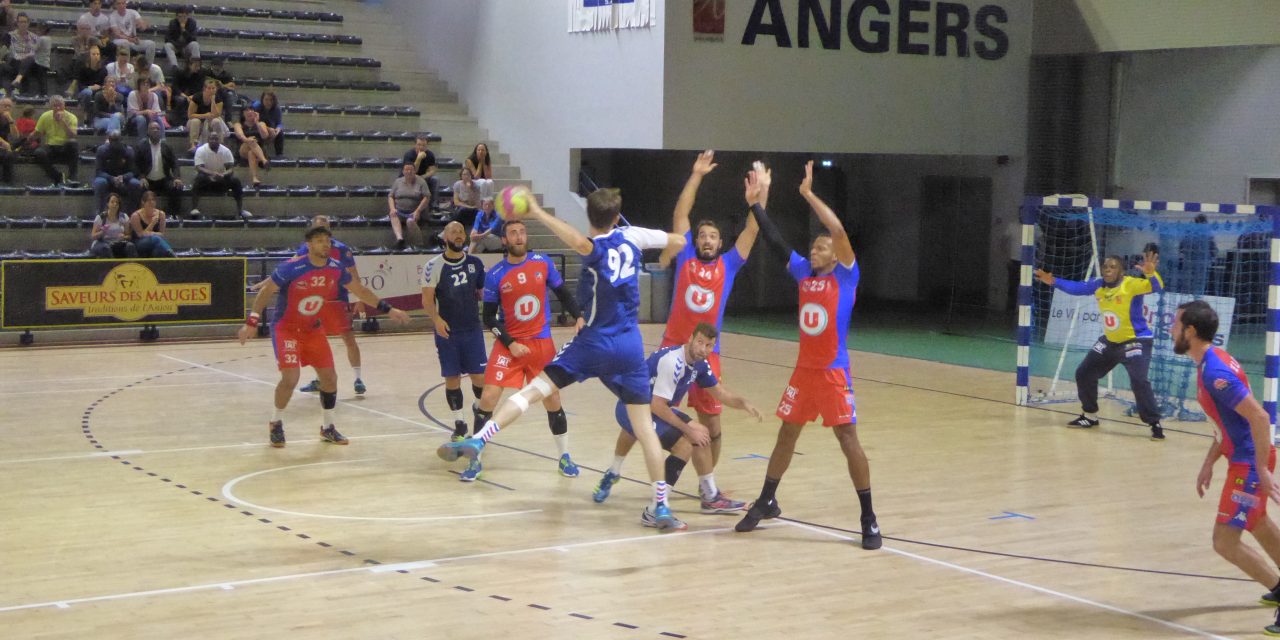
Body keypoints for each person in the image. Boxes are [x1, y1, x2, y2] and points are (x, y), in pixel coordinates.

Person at [437, 186, 689, 531]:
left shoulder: (595, 248)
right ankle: (660, 506)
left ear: (590, 217)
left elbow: (579, 243)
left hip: (595, 341)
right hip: (630, 344)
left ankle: (480, 439)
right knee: (645, 430)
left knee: (534, 391)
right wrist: (666, 255)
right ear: (617, 217)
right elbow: (678, 239)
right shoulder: (633, 236)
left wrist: (538, 213)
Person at [733, 161, 882, 551]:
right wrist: (756, 206)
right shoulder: (804, 273)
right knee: (786, 433)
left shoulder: (846, 276)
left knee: (847, 437)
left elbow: (837, 230)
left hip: (833, 372)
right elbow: (775, 240)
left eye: (821, 246)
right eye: (813, 246)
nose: (814, 249)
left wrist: (808, 195)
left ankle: (868, 516)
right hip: (804, 372)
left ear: (836, 254)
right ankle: (767, 499)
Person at [238, 225, 409, 448]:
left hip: (312, 328)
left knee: (330, 378)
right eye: (319, 241)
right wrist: (251, 321)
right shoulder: (292, 267)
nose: (325, 244)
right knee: (290, 378)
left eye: (328, 241)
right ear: (308, 245)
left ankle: (328, 428)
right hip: (286, 328)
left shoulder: (336, 268)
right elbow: (266, 291)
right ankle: (276, 422)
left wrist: (389, 309)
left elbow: (359, 290)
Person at [655, 150, 761, 504]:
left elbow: (752, 228)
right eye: (702, 235)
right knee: (651, 416)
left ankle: (708, 489)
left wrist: (760, 197)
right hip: (673, 348)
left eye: (712, 237)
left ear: (720, 242)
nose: (706, 240)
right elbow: (680, 213)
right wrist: (697, 174)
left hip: (707, 356)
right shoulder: (685, 254)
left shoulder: (729, 265)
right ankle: (621, 469)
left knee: (712, 426)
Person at [1172, 301, 1280, 636]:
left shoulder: (1215, 374)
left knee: (1224, 541)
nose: (1171, 329)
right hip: (1245, 458)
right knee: (1257, 522)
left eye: (1175, 324)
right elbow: (1228, 423)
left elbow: (1259, 417)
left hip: (1249, 462)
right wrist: (1209, 461)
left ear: (1190, 331)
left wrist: (1261, 469)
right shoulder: (1213, 360)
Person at [461, 218, 584, 482]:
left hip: (541, 343)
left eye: (522, 232)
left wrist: (579, 316)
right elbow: (489, 318)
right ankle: (475, 460)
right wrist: (510, 343)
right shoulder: (495, 275)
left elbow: (563, 293)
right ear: (504, 240)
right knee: (488, 398)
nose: (519, 237)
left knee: (553, 401)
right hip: (510, 345)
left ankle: (564, 457)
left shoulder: (542, 262)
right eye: (513, 233)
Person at [593, 322, 762, 512]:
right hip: (631, 407)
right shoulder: (673, 362)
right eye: (700, 342)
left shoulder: (699, 364)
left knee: (702, 433)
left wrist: (743, 403)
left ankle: (710, 497)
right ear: (690, 338)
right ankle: (657, 506)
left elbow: (720, 394)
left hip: (650, 405)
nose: (703, 349)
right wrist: (689, 431)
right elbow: (658, 406)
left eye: (709, 345)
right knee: (685, 443)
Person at [1034, 249, 1165, 439]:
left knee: (1139, 380)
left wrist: (1151, 273)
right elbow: (1077, 288)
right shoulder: (1098, 285)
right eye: (1105, 266)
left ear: (1121, 272)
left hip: (1135, 341)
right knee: (1084, 372)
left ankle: (1154, 423)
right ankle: (1090, 416)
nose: (1107, 270)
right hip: (1110, 342)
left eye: (1112, 267)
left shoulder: (1132, 284)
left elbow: (1157, 287)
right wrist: (1053, 281)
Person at [421, 221, 488, 449]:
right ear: (445, 236)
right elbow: (427, 300)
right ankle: (459, 424)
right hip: (448, 332)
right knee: (452, 379)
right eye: (454, 232)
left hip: (472, 330)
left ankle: (478, 411)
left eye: (461, 231)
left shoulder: (476, 264)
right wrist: (437, 320)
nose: (459, 235)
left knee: (480, 377)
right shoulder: (433, 265)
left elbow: (481, 292)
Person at [293, 216, 368, 396]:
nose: (322, 235)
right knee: (314, 343)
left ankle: (358, 378)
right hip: (313, 302)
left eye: (324, 230)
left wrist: (360, 299)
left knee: (348, 338)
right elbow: (290, 267)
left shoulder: (341, 250)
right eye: (318, 230)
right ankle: (320, 379)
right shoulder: (305, 249)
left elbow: (354, 275)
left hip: (336, 300)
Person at [189, 129, 250, 220]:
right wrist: (212, 174)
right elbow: (199, 167)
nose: (213, 141)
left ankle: (240, 210)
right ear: (208, 140)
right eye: (211, 139)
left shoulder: (226, 151)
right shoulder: (201, 150)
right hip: (207, 180)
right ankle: (194, 208)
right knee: (198, 179)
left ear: (220, 140)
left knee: (235, 180)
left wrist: (223, 175)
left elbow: (230, 169)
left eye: (216, 139)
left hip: (221, 180)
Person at [135, 120, 182, 216]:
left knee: (176, 187)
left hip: (163, 179)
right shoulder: (141, 146)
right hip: (148, 180)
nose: (155, 130)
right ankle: (141, 214)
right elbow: (135, 164)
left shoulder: (167, 146)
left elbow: (175, 163)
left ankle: (173, 214)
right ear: (148, 131)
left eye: (158, 129)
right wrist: (141, 177)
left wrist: (177, 178)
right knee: (137, 187)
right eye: (153, 128)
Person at [32, 95, 80, 186]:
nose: (58, 108)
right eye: (55, 106)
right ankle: (56, 175)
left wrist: (63, 122)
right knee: (38, 152)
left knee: (73, 143)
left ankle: (73, 177)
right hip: (51, 146)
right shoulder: (45, 116)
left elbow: (73, 135)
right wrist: (30, 136)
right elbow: (37, 132)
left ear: (64, 105)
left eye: (60, 105)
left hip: (65, 147)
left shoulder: (71, 117)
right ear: (51, 107)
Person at [92, 129, 139, 212]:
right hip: (107, 179)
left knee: (135, 183)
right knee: (99, 182)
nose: (115, 143)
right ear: (109, 140)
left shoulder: (129, 151)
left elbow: (133, 171)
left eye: (117, 140)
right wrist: (112, 178)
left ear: (121, 140)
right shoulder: (102, 150)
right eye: (112, 140)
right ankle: (100, 214)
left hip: (123, 180)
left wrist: (123, 177)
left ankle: (133, 213)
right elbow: (98, 171)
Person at [388, 162, 429, 249]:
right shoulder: (398, 182)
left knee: (410, 222)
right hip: (399, 211)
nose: (409, 171)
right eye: (406, 169)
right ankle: (400, 239)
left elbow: (427, 197)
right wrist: (392, 208)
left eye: (411, 169)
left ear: (415, 171)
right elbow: (391, 196)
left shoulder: (421, 181)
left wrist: (418, 210)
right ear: (403, 171)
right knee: (393, 215)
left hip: (415, 211)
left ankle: (419, 244)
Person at [107, 0, 155, 68]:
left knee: (151, 44)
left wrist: (143, 24)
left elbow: (141, 25)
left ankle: (146, 68)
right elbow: (117, 34)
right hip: (119, 40)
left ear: (125, 4)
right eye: (119, 4)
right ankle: (127, 68)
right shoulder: (112, 16)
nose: (121, 5)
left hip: (133, 39)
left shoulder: (133, 12)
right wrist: (131, 39)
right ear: (115, 5)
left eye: (123, 3)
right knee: (125, 42)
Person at [0, 13, 38, 96]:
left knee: (30, 59)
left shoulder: (34, 37)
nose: (23, 24)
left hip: (29, 63)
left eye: (25, 22)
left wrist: (25, 56)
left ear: (28, 23)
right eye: (21, 22)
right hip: (14, 62)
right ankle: (14, 88)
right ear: (17, 23)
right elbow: (4, 49)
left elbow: (34, 52)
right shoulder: (9, 35)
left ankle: (18, 80)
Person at [128, 190, 174, 257]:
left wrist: (151, 233)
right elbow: (141, 235)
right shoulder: (135, 216)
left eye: (153, 200)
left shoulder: (161, 214)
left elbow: (162, 234)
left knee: (159, 248)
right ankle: (174, 257)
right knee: (156, 239)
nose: (151, 202)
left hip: (156, 241)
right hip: (138, 242)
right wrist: (152, 223)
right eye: (149, 200)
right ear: (143, 202)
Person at [89, 192, 137, 258]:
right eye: (112, 202)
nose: (115, 204)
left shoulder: (124, 217)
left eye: (117, 202)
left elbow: (128, 236)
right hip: (102, 243)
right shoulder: (101, 217)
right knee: (106, 249)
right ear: (107, 204)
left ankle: (132, 267)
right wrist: (102, 232)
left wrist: (124, 237)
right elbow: (93, 236)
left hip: (118, 242)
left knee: (130, 246)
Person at [186, 77, 228, 150]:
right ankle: (193, 145)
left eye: (213, 88)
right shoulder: (197, 97)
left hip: (210, 120)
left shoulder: (218, 99)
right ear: (204, 89)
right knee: (195, 121)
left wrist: (213, 101)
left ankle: (219, 144)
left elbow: (216, 115)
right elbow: (190, 115)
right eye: (209, 88)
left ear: (216, 89)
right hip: (195, 120)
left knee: (217, 121)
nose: (211, 90)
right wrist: (204, 115)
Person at [231, 106, 268, 186]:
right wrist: (247, 140)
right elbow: (240, 135)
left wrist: (257, 122)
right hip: (242, 149)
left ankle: (255, 178)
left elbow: (265, 136)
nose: (249, 112)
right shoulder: (238, 124)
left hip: (259, 150)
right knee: (251, 141)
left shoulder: (261, 123)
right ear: (243, 113)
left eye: (251, 110)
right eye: (246, 110)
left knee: (251, 153)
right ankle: (264, 161)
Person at [402, 134, 437, 210]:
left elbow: (432, 171)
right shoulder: (409, 154)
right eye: (419, 145)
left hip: (422, 177)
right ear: (415, 145)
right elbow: (412, 171)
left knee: (435, 179)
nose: (421, 147)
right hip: (408, 176)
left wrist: (423, 177)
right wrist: (418, 158)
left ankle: (433, 205)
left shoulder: (430, 155)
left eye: (424, 145)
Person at [68, 44, 107, 108]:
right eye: (93, 54)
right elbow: (80, 86)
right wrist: (90, 87)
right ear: (89, 56)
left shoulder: (103, 70)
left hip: (98, 91)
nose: (96, 56)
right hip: (85, 91)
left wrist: (99, 87)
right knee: (88, 92)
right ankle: (84, 110)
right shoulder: (83, 69)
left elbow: (104, 84)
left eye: (98, 54)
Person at [163, 5, 199, 70]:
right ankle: (174, 67)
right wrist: (178, 45)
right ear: (176, 17)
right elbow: (167, 38)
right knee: (167, 45)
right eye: (180, 17)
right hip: (176, 46)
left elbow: (193, 38)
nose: (182, 19)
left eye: (184, 17)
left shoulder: (192, 23)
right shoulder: (173, 23)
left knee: (195, 44)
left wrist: (184, 31)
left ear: (188, 16)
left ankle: (196, 66)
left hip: (186, 47)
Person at [251, 90, 283, 157]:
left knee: (280, 133)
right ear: (262, 100)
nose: (268, 102)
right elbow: (254, 122)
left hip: (271, 126)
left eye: (271, 100)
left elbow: (279, 123)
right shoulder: (256, 107)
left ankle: (279, 154)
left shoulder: (277, 109)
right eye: (266, 100)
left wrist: (277, 130)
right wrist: (267, 129)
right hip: (258, 127)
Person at [0, 97, 15, 184]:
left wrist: (10, 120)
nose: (7, 108)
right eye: (5, 106)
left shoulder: (8, 118)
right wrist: (3, 142)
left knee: (9, 155)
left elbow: (15, 135)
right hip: (3, 145)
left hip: (4, 147)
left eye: (9, 106)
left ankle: (7, 182)